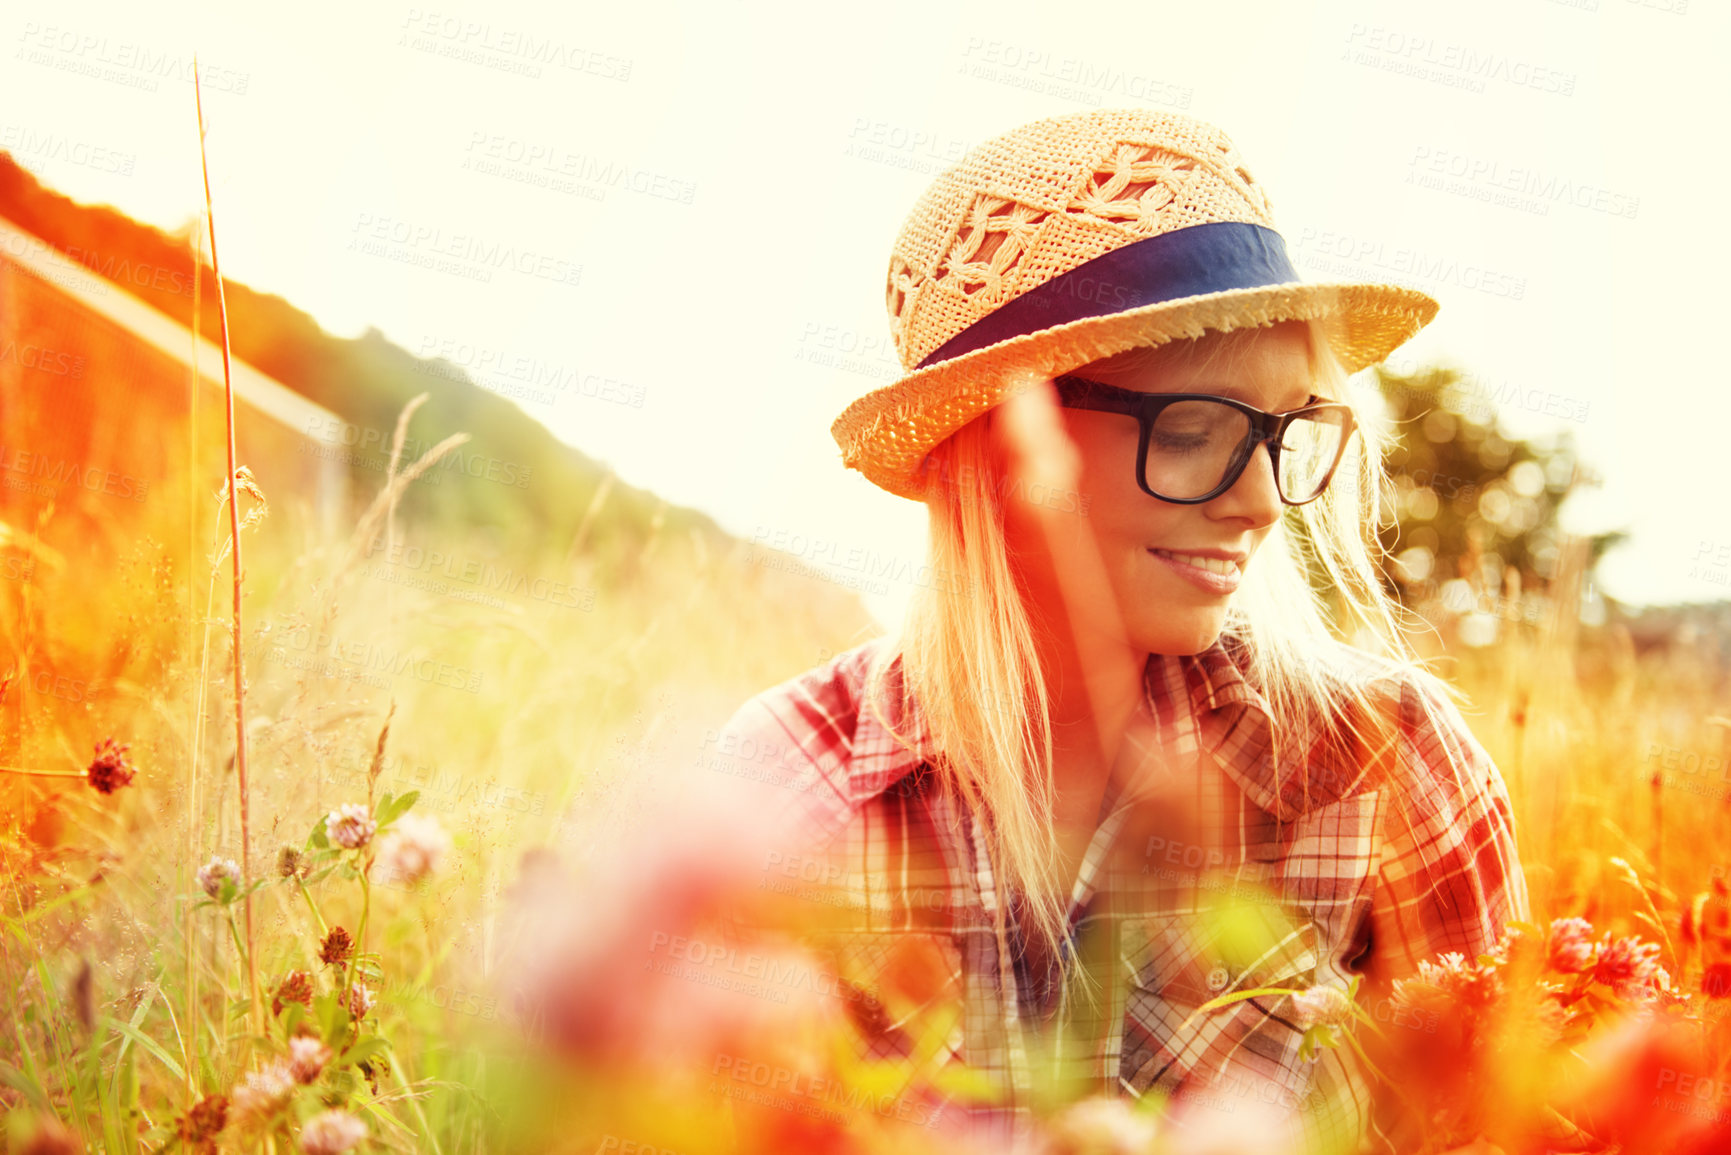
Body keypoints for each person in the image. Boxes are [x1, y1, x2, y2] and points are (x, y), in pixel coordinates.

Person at [714, 108, 1529, 1154]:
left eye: (1287, 434)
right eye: (1193, 431)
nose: (1261, 504)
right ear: (1007, 444)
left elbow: (1495, 1125)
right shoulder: (790, 796)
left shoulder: (1387, 764)